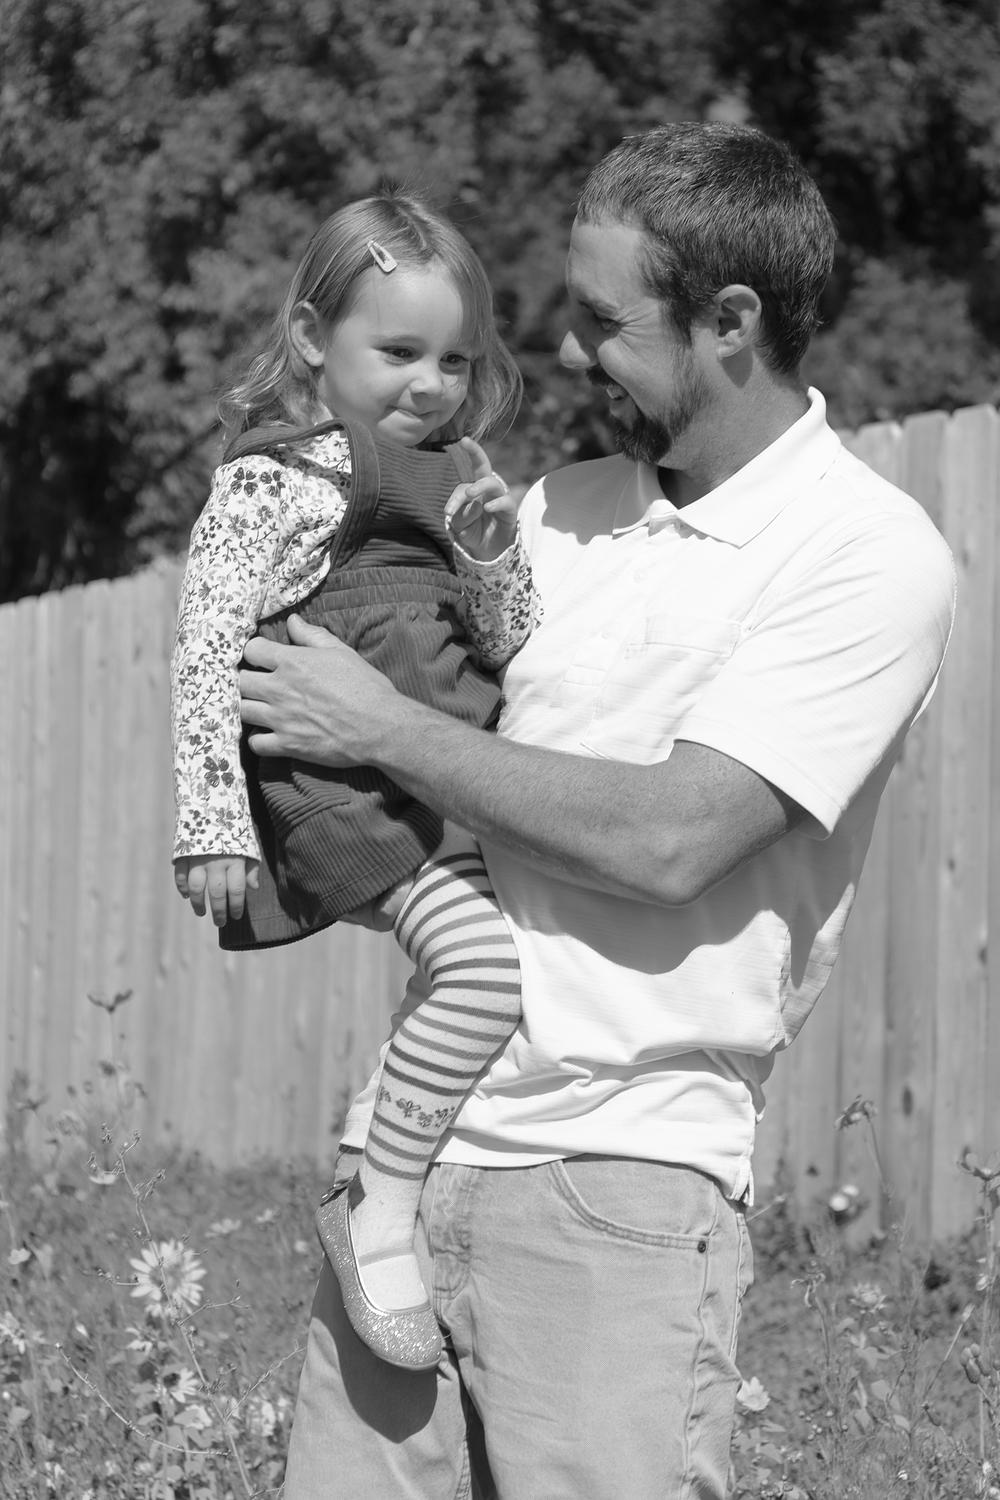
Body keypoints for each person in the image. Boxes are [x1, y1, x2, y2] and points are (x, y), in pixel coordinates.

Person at [239, 124, 957, 1500]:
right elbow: (403, 753)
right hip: (405, 1159)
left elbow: (669, 838)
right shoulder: (547, 514)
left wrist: (380, 728)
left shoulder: (865, 556)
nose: (564, 352)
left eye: (604, 321)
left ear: (730, 322)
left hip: (617, 1186)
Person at [170, 193, 540, 1372]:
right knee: (486, 972)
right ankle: (376, 1203)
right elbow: (206, 645)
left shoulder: (456, 475)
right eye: (398, 352)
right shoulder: (274, 478)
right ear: (311, 337)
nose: (430, 385)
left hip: (447, 773)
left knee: (515, 967)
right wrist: (213, 821)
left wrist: (490, 551)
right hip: (350, 791)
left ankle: (385, 1139)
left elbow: (509, 641)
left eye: (455, 360)